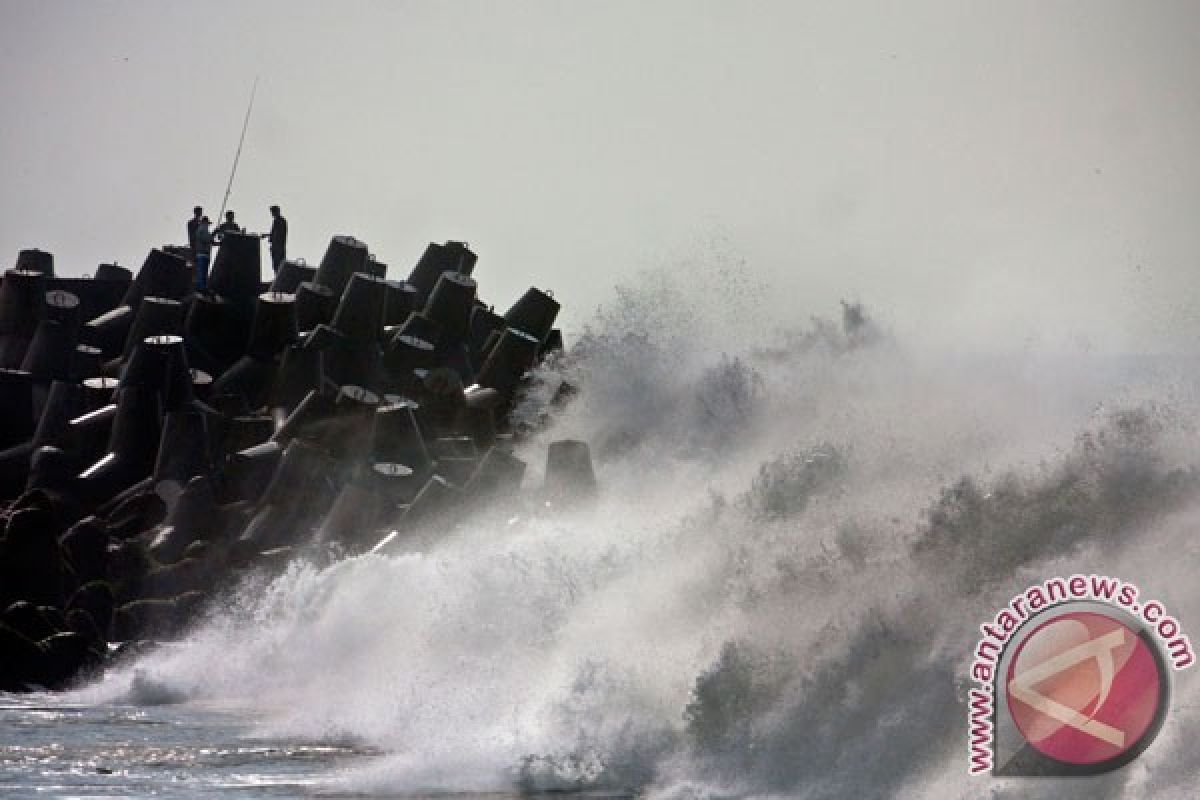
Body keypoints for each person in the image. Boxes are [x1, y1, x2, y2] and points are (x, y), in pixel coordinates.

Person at [261, 205, 287, 272]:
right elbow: (273, 233)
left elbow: (278, 234)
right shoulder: (276, 221)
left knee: (279, 264)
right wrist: (267, 235)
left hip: (279, 247)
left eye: (273, 212)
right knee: (276, 265)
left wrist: (270, 237)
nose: (272, 214)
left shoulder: (281, 221)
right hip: (275, 246)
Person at [194, 216, 213, 291]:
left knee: (204, 272)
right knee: (202, 272)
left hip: (206, 255)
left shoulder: (205, 230)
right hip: (202, 254)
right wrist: (214, 234)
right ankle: (201, 287)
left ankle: (203, 286)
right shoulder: (202, 229)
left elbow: (209, 240)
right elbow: (206, 239)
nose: (208, 225)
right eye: (207, 223)